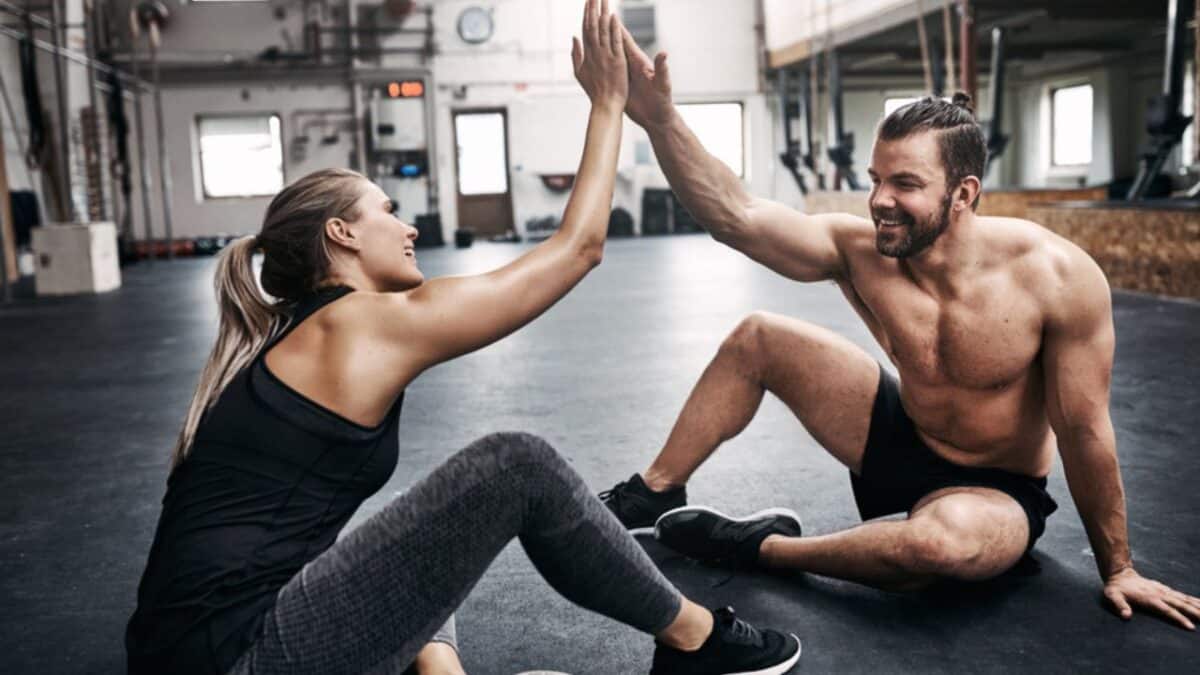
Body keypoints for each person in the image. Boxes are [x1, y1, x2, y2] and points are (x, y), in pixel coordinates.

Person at [124, 3, 802, 674]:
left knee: (415, 518)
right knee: (515, 464)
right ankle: (697, 638)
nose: (408, 224)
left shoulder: (302, 332)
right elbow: (577, 250)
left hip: (199, 647)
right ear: (342, 233)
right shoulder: (351, 325)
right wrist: (608, 104)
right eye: (386, 210)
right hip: (236, 656)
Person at [598, 28, 1200, 630]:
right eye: (875, 180)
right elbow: (737, 216)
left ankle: (757, 546)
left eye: (905, 184)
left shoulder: (1056, 279)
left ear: (963, 194)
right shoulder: (861, 250)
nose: (880, 200)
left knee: (938, 548)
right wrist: (659, 120)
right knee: (759, 336)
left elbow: (1084, 428)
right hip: (896, 437)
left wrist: (1118, 568)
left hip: (993, 489)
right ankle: (655, 491)